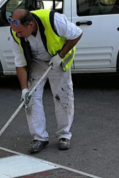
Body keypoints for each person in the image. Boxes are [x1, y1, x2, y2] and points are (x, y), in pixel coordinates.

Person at [9, 8, 83, 153]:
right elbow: (20, 63)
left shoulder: (54, 20)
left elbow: (77, 34)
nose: (18, 35)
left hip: (57, 59)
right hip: (36, 62)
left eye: (20, 32)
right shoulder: (15, 33)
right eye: (16, 32)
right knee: (31, 99)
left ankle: (64, 135)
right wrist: (24, 90)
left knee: (63, 97)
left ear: (30, 24)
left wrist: (61, 55)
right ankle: (39, 137)